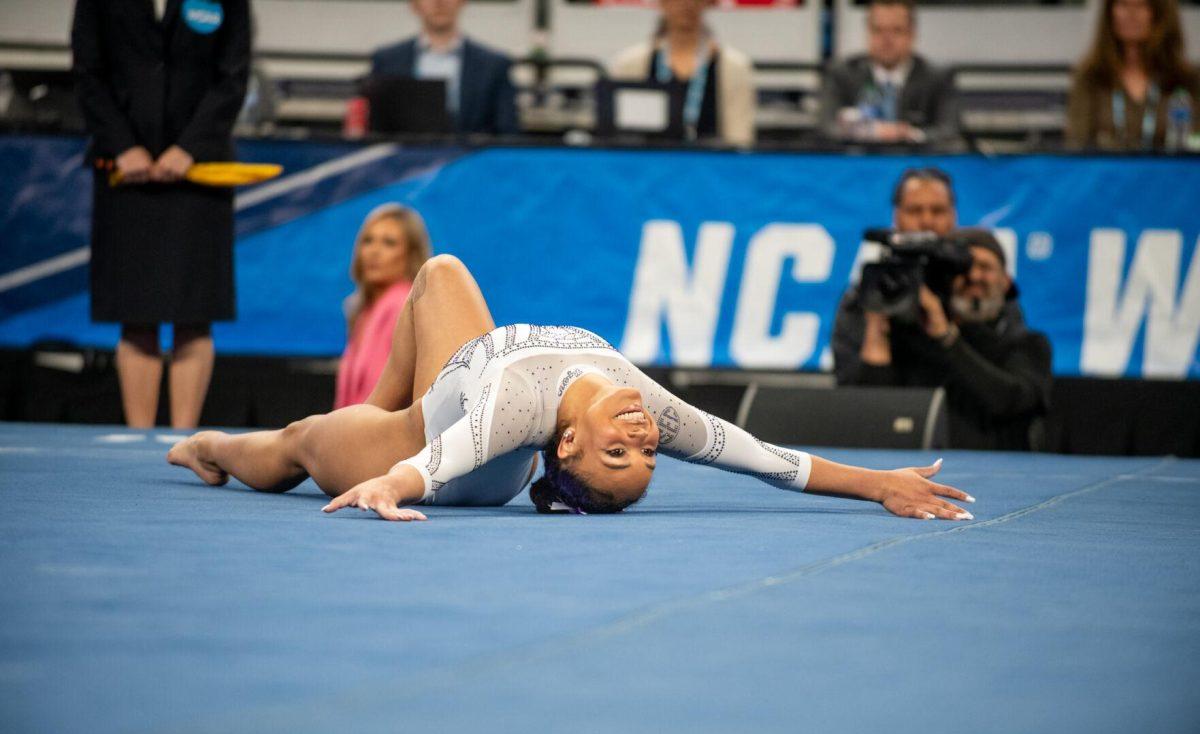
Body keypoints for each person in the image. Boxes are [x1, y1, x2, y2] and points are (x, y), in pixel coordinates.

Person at [168, 255, 975, 523]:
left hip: (434, 450)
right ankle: (382, 405)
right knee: (439, 271)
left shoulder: (515, 412)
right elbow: (769, 460)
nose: (645, 438)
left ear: (567, 444)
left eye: (620, 453)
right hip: (451, 387)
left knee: (299, 443)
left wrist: (391, 478)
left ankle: (207, 448)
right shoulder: (643, 407)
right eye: (646, 455)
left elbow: (446, 455)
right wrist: (880, 486)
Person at [71, 0, 250, 428]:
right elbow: (87, 73)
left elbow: (233, 78)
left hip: (200, 171)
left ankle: (183, 437)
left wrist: (190, 147)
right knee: (137, 315)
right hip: (125, 174)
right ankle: (139, 436)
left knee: (194, 313)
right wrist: (122, 145)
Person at [833, 225, 1052, 452]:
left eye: (985, 267)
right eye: (964, 269)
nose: (974, 276)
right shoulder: (913, 343)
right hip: (916, 473)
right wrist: (878, 325)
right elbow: (870, 415)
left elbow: (1010, 401)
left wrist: (947, 337)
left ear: (1006, 281)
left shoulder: (1028, 344)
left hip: (1003, 476)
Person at [609, 0, 756, 148]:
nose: (686, 4)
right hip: (648, 164)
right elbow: (622, 138)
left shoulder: (734, 67)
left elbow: (740, 141)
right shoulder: (630, 65)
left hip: (712, 166)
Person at [819, 0, 960, 146]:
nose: (887, 39)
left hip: (915, 162)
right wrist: (870, 132)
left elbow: (949, 131)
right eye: (878, 30)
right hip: (859, 164)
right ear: (867, 31)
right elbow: (827, 127)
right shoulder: (842, 74)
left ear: (912, 34)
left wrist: (910, 135)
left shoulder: (938, 77)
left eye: (896, 30)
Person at [369, 0, 518, 136]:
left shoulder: (494, 66)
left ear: (463, 2)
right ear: (413, 4)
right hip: (401, 161)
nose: (439, 2)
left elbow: (507, 135)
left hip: (470, 161)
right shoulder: (386, 61)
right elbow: (374, 130)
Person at [1066, 0, 1199, 151]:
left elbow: (1195, 141)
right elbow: (1075, 144)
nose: (1131, 14)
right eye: (1123, 5)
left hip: (1171, 173)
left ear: (1161, 14)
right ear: (1110, 12)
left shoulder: (1187, 79)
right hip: (1106, 172)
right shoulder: (1090, 75)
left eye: (1142, 6)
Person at [335, 204, 432, 409]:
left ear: (410, 254)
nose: (374, 251)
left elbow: (382, 403)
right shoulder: (364, 311)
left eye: (389, 243)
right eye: (368, 241)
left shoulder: (401, 304)